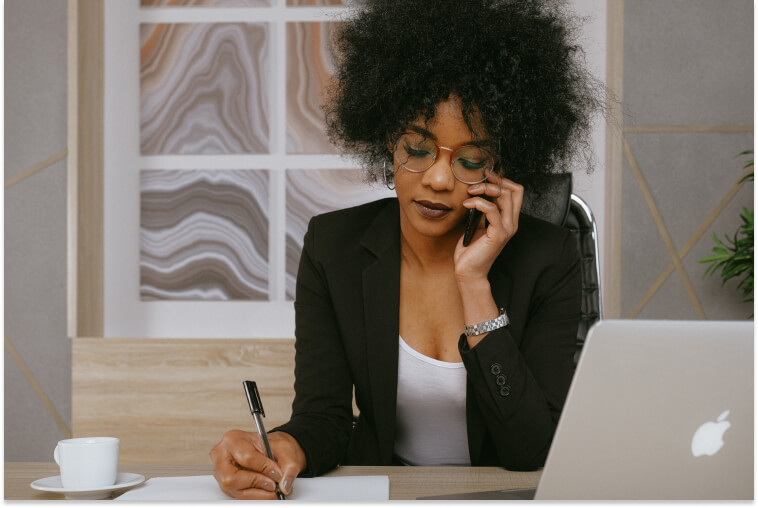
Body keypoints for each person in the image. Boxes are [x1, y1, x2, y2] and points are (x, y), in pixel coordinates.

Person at [211, 0, 602, 499]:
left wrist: (474, 284)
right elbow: (323, 418)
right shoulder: (335, 248)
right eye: (417, 149)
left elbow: (531, 449)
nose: (438, 179)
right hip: (388, 494)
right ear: (385, 143)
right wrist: (285, 445)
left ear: (499, 167)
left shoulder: (547, 257)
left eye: (471, 158)